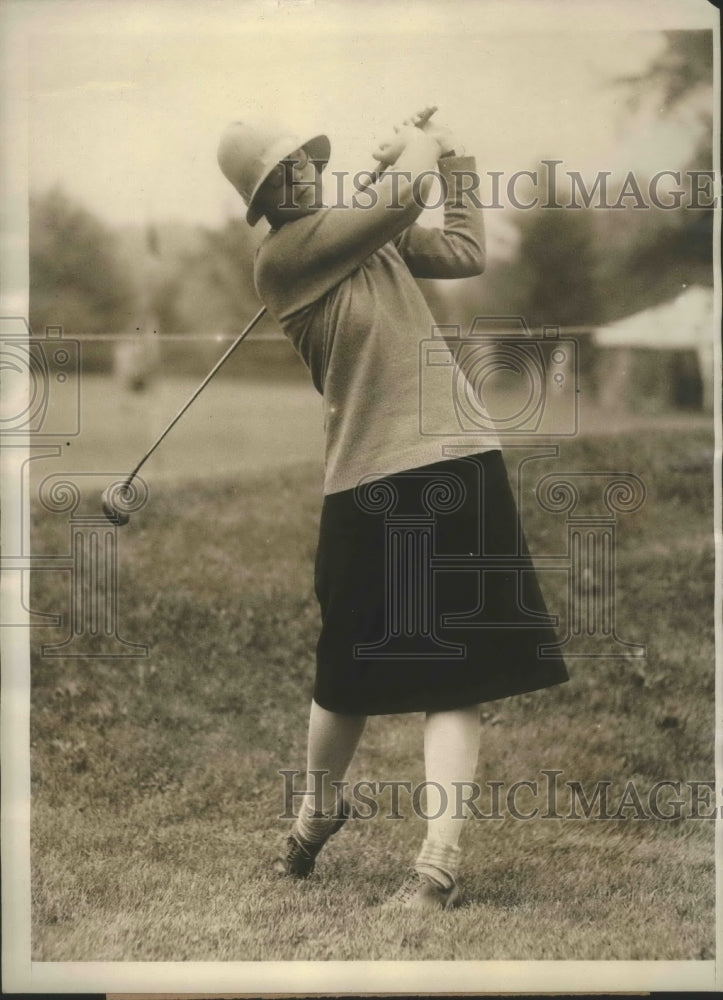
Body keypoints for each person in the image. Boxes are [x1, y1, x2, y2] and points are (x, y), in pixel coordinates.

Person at [217, 109, 569, 910]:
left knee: (456, 674)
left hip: (456, 455)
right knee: (342, 677)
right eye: (281, 174)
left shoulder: (357, 232)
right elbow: (406, 190)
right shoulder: (285, 257)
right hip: (366, 476)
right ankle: (319, 811)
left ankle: (435, 864)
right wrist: (423, 149)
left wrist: (460, 158)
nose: (301, 175)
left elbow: (464, 249)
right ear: (263, 200)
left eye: (304, 160)